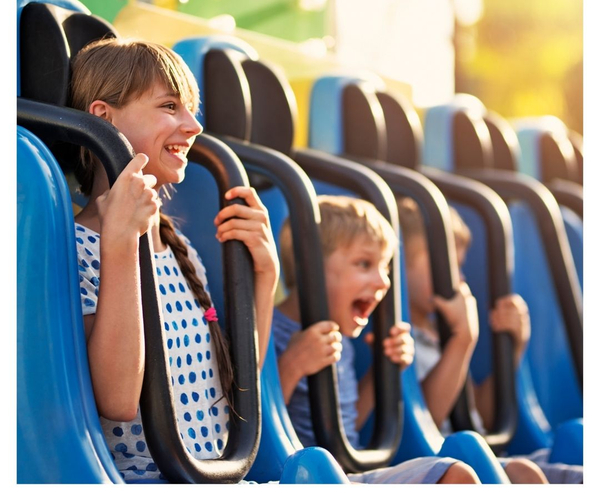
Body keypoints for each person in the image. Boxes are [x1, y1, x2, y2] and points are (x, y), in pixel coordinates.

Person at [70, 37, 280, 481]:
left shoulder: (177, 245)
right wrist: (121, 242)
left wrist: (266, 275)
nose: (193, 126)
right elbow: (118, 399)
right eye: (170, 106)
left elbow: (233, 387)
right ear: (103, 118)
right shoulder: (79, 246)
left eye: (191, 109)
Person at [274, 195, 482, 484]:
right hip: (300, 476)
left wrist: (382, 371)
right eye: (364, 263)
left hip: (345, 472)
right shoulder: (272, 331)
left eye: (385, 267)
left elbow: (342, 429)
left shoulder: (340, 337)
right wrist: (291, 366)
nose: (384, 281)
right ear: (309, 264)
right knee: (456, 476)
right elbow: (261, 434)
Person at [397, 196, 583, 484]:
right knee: (525, 475)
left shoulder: (438, 333)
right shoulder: (400, 339)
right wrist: (463, 339)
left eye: (459, 266)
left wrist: (514, 348)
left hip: (478, 452)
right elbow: (424, 422)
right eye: (446, 265)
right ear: (400, 266)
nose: (458, 278)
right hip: (444, 459)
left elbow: (479, 413)